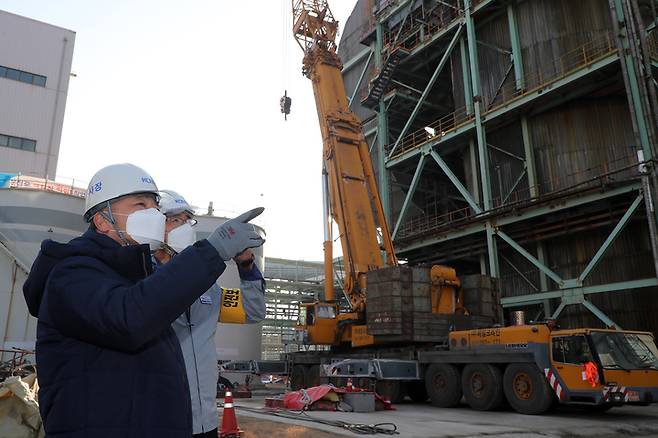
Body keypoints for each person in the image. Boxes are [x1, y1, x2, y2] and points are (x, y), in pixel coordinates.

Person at [22, 163, 264, 438]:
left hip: (192, 420)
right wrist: (210, 252)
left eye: (155, 207)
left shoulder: (187, 285)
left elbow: (251, 310)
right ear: (103, 220)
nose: (153, 215)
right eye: (140, 204)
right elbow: (130, 317)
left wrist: (245, 267)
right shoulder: (73, 274)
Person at [155, 190, 266, 438]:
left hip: (204, 421)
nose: (183, 227)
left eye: (186, 221)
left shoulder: (208, 289)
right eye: (174, 220)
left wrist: (246, 266)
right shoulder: (140, 284)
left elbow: (254, 312)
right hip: (161, 421)